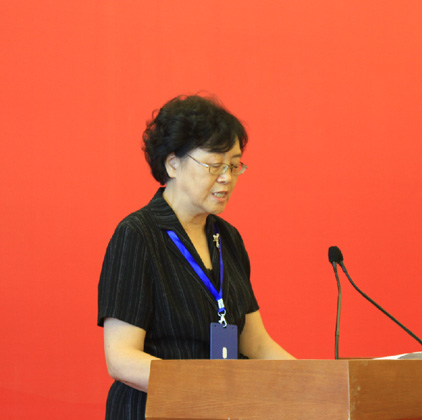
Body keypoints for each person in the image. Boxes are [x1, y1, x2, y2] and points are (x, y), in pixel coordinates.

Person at [98, 94, 294, 420]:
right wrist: (208, 387)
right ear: (172, 164)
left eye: (234, 165)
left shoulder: (227, 238)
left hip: (222, 410)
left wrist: (314, 383)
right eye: (214, 165)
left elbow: (256, 344)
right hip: (157, 410)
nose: (226, 177)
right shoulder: (138, 235)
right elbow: (121, 358)